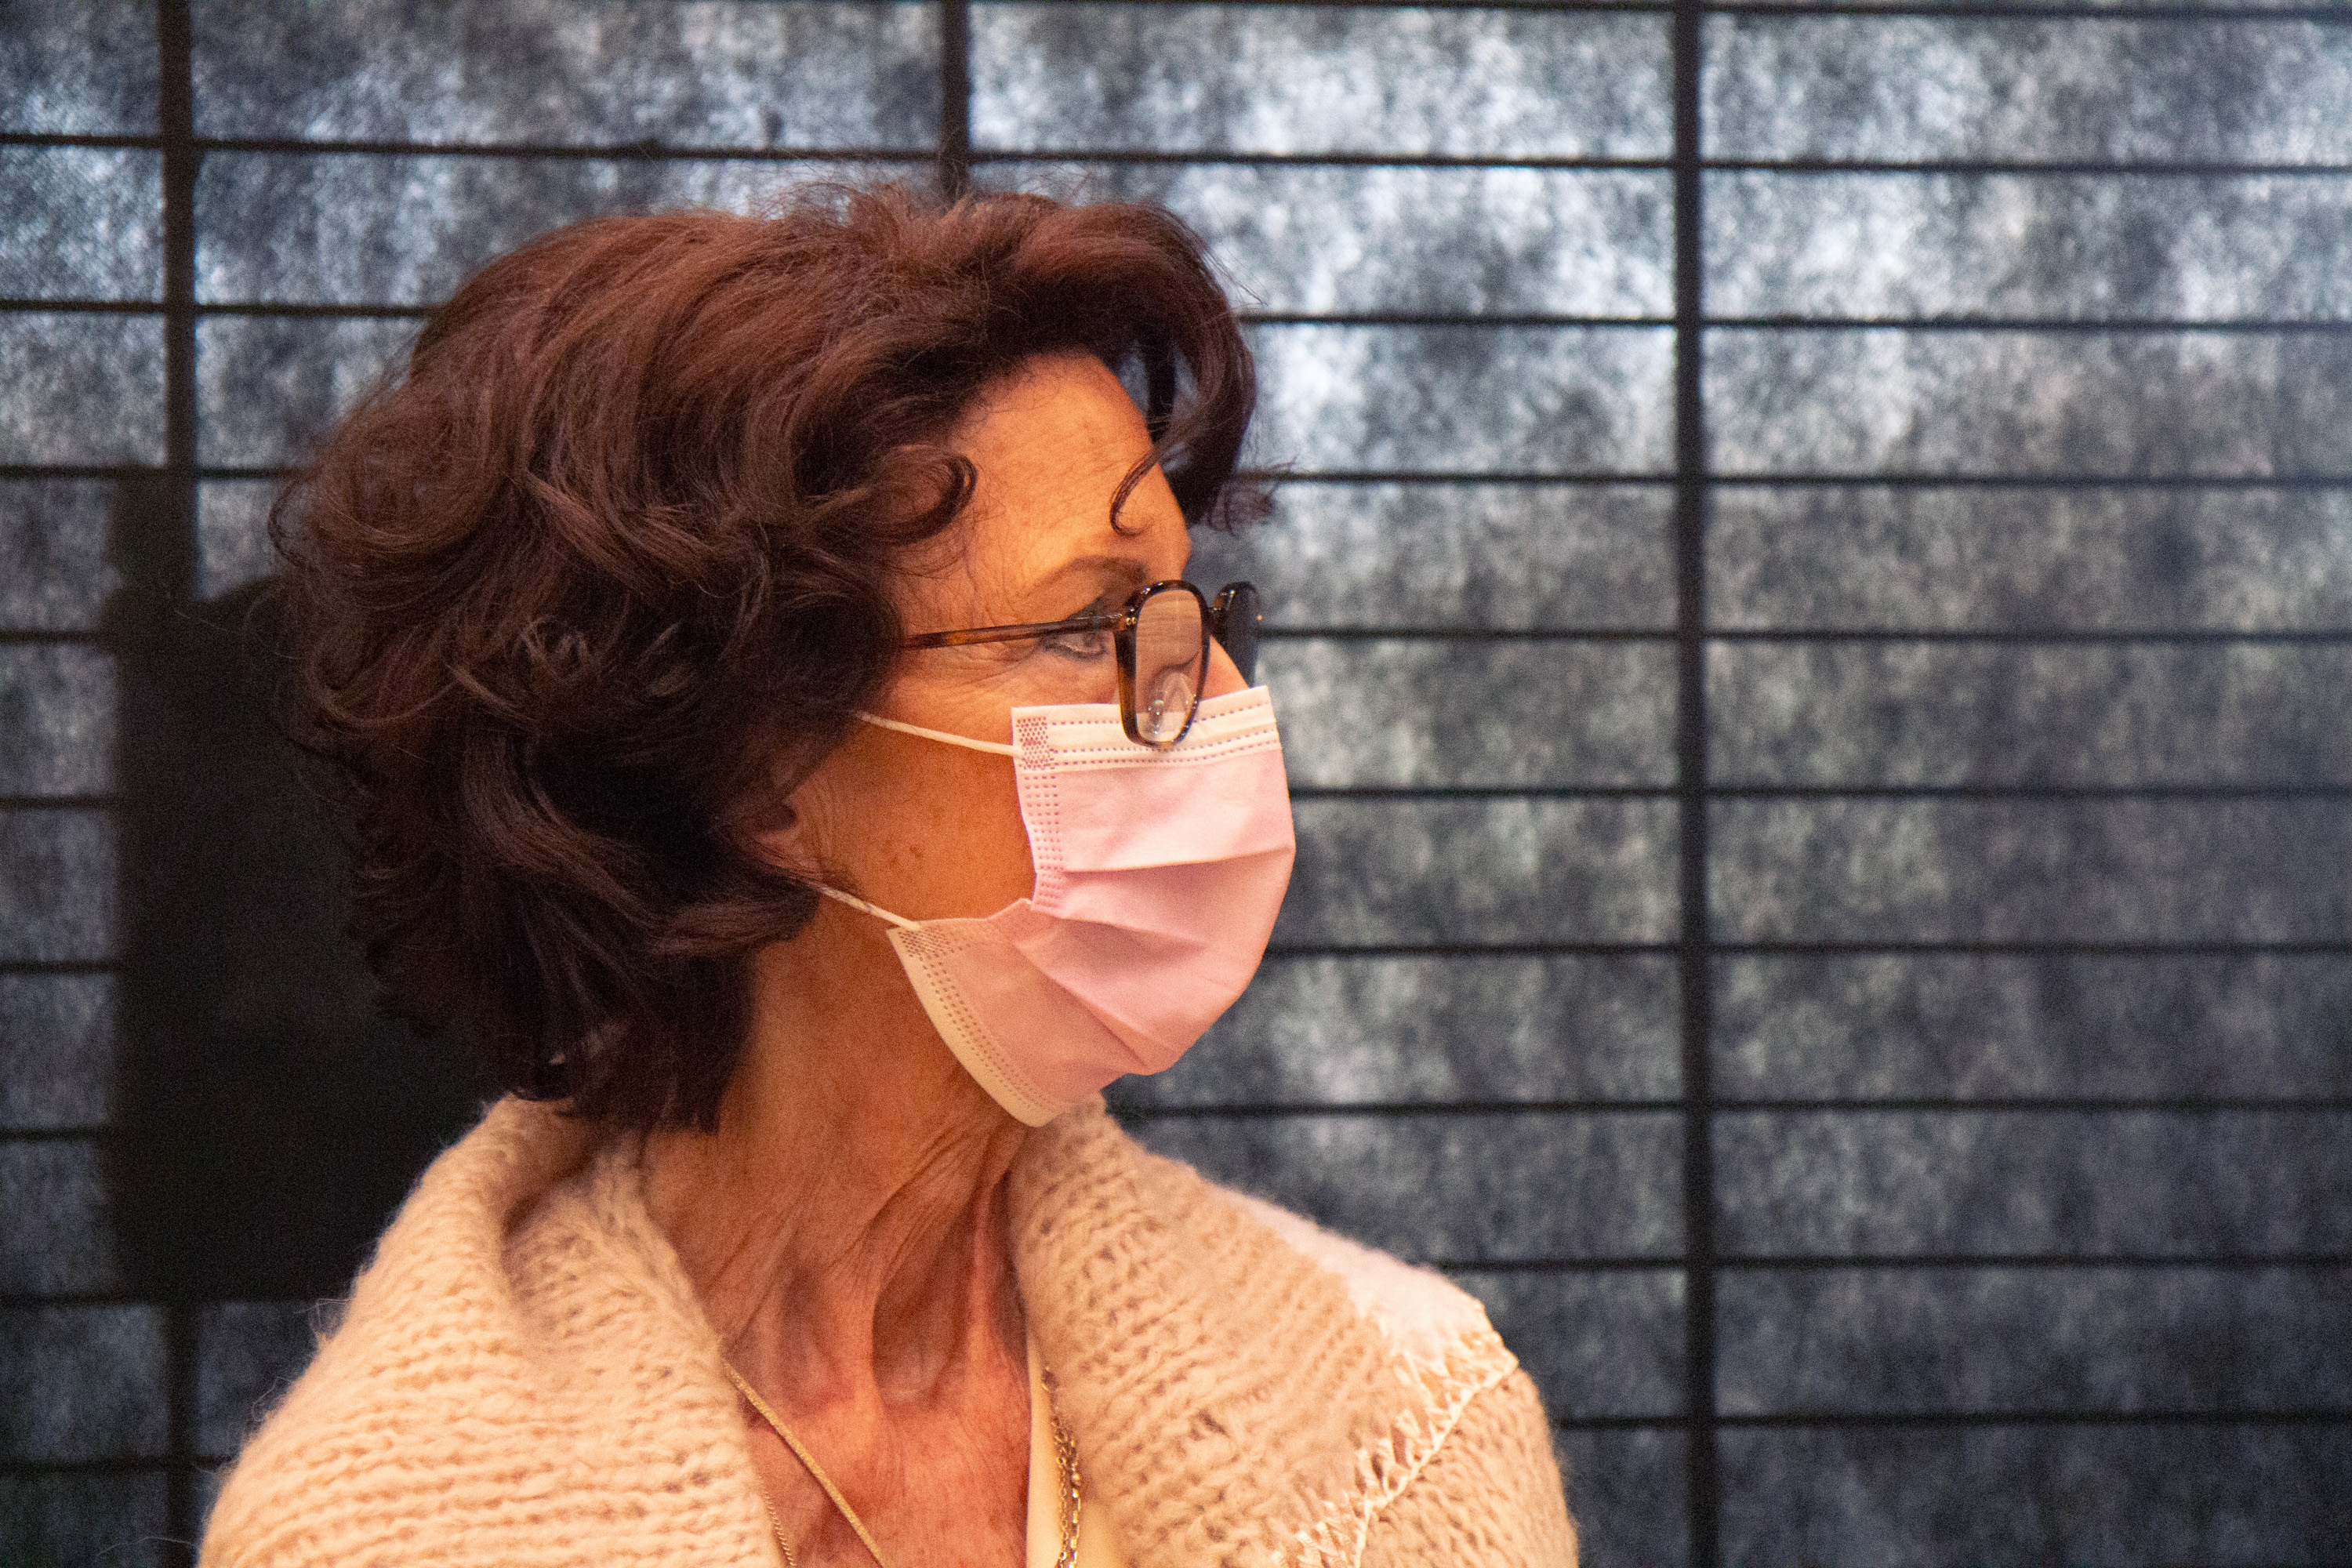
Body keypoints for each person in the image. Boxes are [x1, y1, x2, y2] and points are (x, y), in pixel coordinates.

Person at [200, 186, 1575, 1567]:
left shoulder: (1413, 1427)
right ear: (758, 773)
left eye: (1190, 610)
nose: (1212, 698)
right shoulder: (379, 1535)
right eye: (1091, 622)